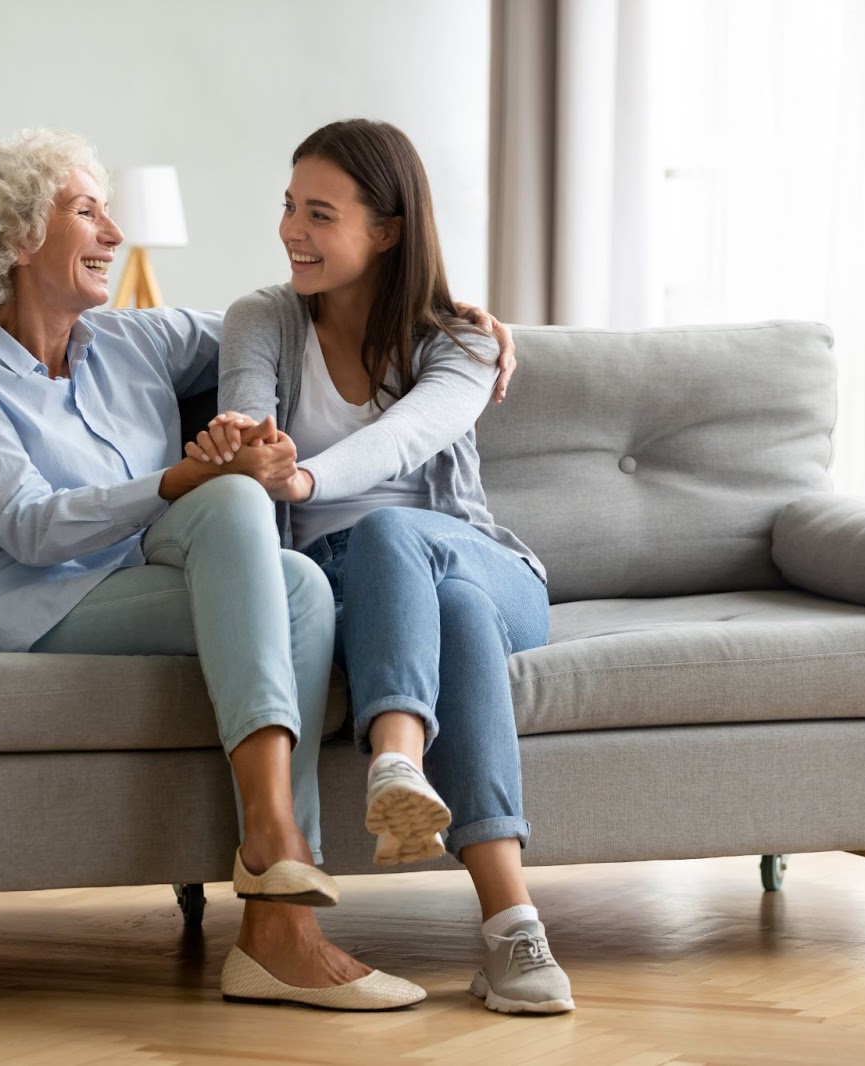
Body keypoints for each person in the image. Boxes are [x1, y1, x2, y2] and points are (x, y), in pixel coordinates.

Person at [0, 129, 510, 1012]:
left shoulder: (134, 342)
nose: (113, 232)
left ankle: (275, 901)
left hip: (133, 579)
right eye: (87, 212)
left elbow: (294, 321)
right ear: (19, 238)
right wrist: (177, 479)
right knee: (219, 500)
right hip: (13, 605)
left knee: (285, 567)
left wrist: (466, 329)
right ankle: (277, 866)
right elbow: (27, 529)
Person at [189, 119, 574, 1015]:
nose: (292, 230)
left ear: (387, 230)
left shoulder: (465, 344)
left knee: (406, 540)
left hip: (486, 564)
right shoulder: (261, 319)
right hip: (350, 586)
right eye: (288, 207)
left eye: (319, 214)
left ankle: (397, 758)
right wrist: (251, 449)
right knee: (454, 615)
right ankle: (513, 930)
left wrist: (308, 473)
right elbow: (249, 428)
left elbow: (407, 442)